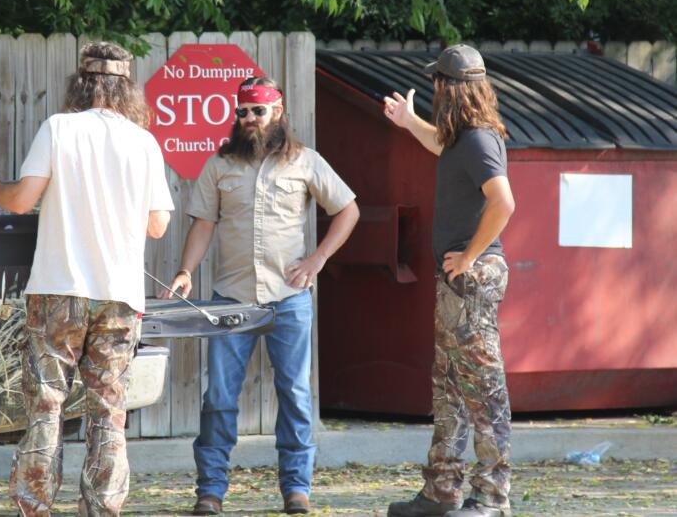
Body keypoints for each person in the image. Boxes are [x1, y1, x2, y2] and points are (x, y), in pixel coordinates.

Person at [0, 42, 174, 517]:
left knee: (45, 407)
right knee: (109, 413)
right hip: (119, 296)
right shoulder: (145, 142)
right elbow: (158, 225)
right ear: (127, 87)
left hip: (58, 290)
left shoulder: (59, 128)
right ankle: (102, 510)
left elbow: (19, 201)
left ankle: (34, 508)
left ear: (81, 82)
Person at [160, 76, 360, 515]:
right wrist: (185, 271)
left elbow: (348, 209)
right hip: (231, 299)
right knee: (219, 397)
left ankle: (296, 489)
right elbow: (203, 223)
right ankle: (210, 491)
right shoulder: (219, 164)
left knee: (294, 393)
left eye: (258, 111)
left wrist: (317, 260)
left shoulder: (305, 162)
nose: (249, 119)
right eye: (243, 112)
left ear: (278, 111)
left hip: (289, 298)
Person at [382, 44, 516, 517]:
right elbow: (438, 142)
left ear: (446, 86)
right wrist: (408, 121)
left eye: (437, 83)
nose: (434, 90)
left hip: (473, 278)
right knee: (450, 387)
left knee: (482, 388)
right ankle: (442, 492)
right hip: (458, 280)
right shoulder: (461, 136)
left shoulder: (480, 139)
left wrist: (471, 257)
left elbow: (504, 203)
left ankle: (492, 499)